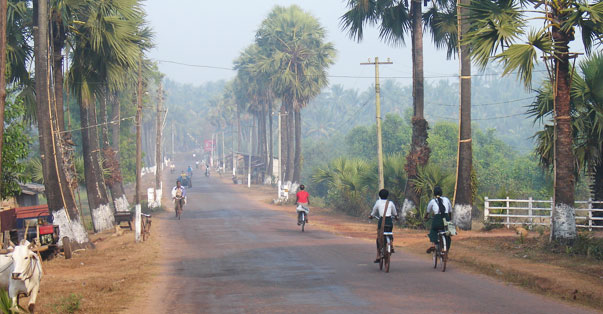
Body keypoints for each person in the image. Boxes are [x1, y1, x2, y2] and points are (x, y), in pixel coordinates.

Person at [369, 189, 398, 263]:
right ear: (387, 195)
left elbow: (374, 211)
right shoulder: (390, 203)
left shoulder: (378, 202)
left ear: (379, 195)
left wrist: (371, 216)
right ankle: (391, 244)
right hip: (389, 221)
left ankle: (378, 255)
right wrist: (396, 217)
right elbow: (395, 213)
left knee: (379, 237)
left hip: (381, 221)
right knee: (389, 233)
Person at [424, 186, 452, 253]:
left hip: (437, 219)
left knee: (433, 230)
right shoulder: (446, 199)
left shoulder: (432, 201)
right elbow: (450, 211)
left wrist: (426, 218)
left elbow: (427, 212)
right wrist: (449, 219)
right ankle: (446, 251)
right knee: (448, 234)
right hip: (446, 218)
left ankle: (434, 244)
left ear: (434, 193)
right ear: (441, 193)